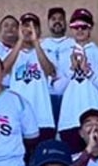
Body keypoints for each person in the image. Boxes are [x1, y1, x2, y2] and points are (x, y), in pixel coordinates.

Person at [6, 11, 61, 146]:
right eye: (25, 26)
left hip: (42, 117)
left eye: (33, 26)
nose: (29, 29)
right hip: (18, 118)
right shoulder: (11, 53)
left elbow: (50, 71)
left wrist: (36, 41)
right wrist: (20, 40)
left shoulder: (46, 51)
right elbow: (2, 70)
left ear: (39, 31)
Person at [54, 9, 98, 131]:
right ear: (71, 28)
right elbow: (57, 89)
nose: (79, 30)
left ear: (90, 28)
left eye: (84, 26)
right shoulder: (63, 54)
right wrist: (71, 70)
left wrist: (89, 72)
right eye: (75, 26)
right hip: (68, 121)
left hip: (93, 121)